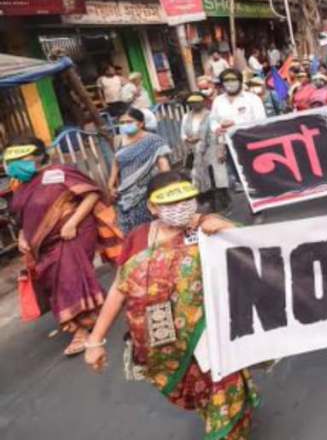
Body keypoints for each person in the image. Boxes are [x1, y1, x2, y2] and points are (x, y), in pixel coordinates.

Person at [85, 173, 259, 439]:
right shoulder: (138, 238)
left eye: (186, 200)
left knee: (223, 391)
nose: (180, 208)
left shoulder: (208, 227)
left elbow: (258, 250)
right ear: (152, 207)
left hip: (209, 334)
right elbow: (120, 288)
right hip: (162, 342)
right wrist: (95, 340)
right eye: (169, 203)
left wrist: (225, 228)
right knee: (203, 394)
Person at [5, 137, 109, 356]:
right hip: (41, 244)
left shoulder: (59, 173)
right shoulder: (19, 185)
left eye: (21, 159)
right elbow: (21, 217)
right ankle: (93, 311)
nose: (15, 165)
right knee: (56, 281)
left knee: (69, 279)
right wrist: (23, 237)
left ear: (38, 156)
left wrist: (72, 222)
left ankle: (81, 331)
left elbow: (91, 194)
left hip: (73, 234)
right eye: (12, 160)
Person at [109, 108, 172, 233]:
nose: (125, 125)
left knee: (148, 227)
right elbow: (116, 162)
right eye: (122, 122)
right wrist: (111, 183)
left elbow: (162, 163)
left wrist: (167, 185)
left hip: (147, 190)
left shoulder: (154, 140)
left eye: (129, 121)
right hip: (125, 191)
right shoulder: (119, 140)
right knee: (128, 228)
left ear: (141, 123)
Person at [181, 93, 229, 210]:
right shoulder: (186, 117)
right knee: (200, 177)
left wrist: (221, 148)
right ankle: (209, 204)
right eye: (192, 103)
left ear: (202, 102)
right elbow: (183, 134)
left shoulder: (212, 116)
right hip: (196, 152)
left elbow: (219, 132)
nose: (194, 105)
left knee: (217, 177)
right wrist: (189, 139)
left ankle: (224, 203)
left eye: (197, 102)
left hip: (212, 149)